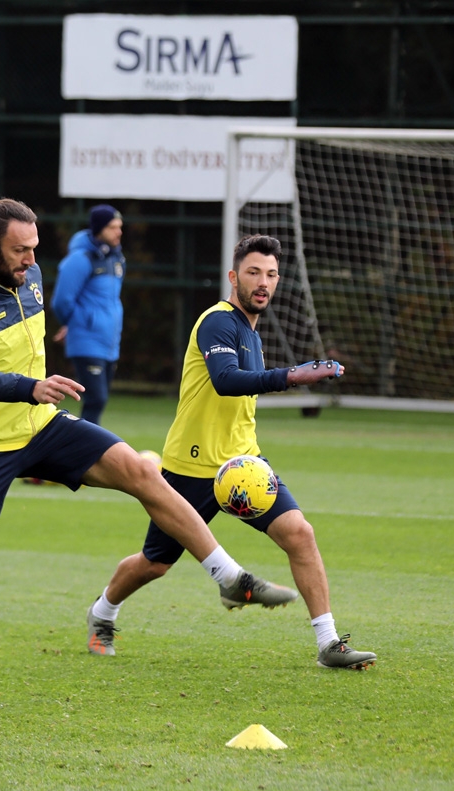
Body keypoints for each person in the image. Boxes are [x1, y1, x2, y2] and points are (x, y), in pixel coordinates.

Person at [0, 199, 296, 691]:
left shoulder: (29, 275)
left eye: (34, 248)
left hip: (42, 425)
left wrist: (37, 392)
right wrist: (31, 386)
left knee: (142, 473)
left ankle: (229, 578)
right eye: (20, 250)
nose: (31, 260)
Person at [86, 234, 377, 670]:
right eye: (253, 272)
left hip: (245, 465)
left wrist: (285, 381)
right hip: (191, 466)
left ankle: (329, 643)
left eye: (271, 274)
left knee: (300, 534)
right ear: (233, 276)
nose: (263, 282)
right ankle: (102, 613)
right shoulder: (217, 322)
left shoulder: (251, 332)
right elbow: (226, 380)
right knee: (155, 564)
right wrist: (290, 377)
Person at [50, 204, 125, 425]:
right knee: (96, 399)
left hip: (109, 342)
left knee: (98, 401)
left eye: (119, 226)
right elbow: (61, 301)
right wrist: (75, 324)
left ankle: (83, 443)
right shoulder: (80, 259)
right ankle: (82, 444)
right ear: (98, 229)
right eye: (112, 227)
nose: (119, 232)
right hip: (87, 340)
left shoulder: (116, 259)